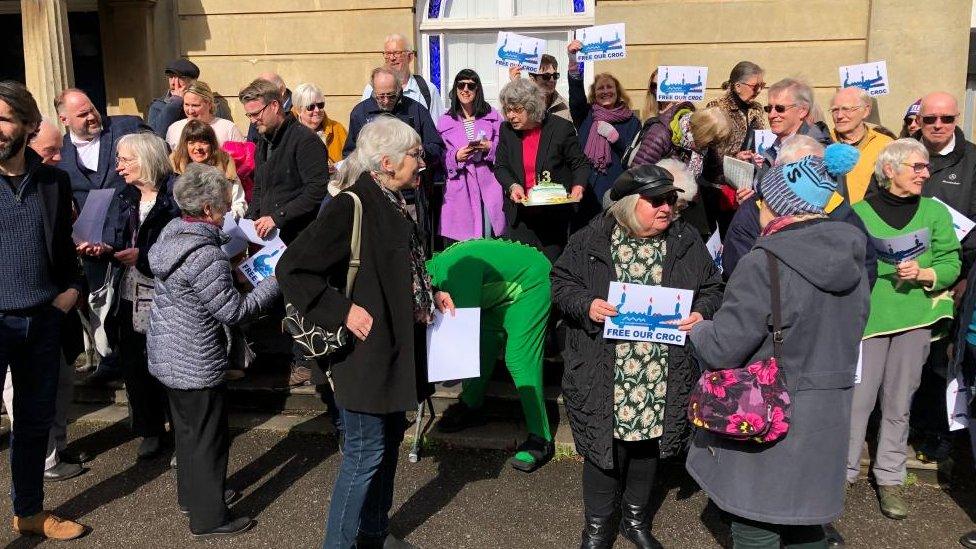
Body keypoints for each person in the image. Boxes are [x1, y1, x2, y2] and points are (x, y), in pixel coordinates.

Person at [276, 117, 455, 549]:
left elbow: (396, 268)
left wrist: (431, 292)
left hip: (395, 351)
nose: (423, 162)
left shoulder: (393, 199)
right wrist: (342, 311)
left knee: (388, 444)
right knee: (363, 455)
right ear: (388, 162)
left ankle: (374, 534)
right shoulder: (351, 205)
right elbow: (292, 268)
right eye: (415, 154)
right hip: (364, 354)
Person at [686, 154, 871, 549]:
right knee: (804, 522)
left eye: (761, 200)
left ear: (778, 204)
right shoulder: (853, 257)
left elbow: (723, 348)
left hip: (769, 409)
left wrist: (699, 329)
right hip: (828, 412)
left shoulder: (765, 261)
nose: (756, 207)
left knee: (756, 524)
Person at [552, 164, 723, 549]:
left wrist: (702, 311)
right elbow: (561, 283)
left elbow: (713, 286)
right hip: (603, 365)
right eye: (657, 200)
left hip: (662, 368)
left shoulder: (685, 239)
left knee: (649, 445)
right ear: (630, 204)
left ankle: (634, 520)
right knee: (603, 448)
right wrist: (587, 304)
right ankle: (597, 529)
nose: (667, 207)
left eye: (671, 199)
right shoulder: (591, 239)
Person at [148, 163, 279, 539]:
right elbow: (233, 311)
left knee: (189, 433)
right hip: (195, 356)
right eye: (223, 205)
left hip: (169, 352)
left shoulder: (173, 234)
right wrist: (272, 281)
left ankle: (196, 497)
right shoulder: (206, 255)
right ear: (207, 210)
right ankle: (209, 519)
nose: (228, 212)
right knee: (207, 437)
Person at [846, 138, 961, 520]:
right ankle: (841, 473)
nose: (925, 173)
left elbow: (950, 262)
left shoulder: (934, 212)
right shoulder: (858, 212)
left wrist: (926, 273)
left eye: (926, 167)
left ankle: (890, 478)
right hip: (870, 319)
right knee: (858, 401)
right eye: (917, 167)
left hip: (915, 318)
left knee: (898, 402)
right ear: (890, 169)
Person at [0, 80, 87, 540]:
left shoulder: (54, 180)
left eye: (4, 119)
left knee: (34, 426)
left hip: (41, 320)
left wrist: (72, 287)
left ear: (29, 126)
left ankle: (30, 512)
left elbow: (61, 246)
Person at [79, 132, 181, 460]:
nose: (119, 167)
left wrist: (146, 254)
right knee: (135, 365)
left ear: (146, 159)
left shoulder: (176, 194)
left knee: (171, 364)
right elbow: (115, 238)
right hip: (129, 290)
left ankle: (181, 431)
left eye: (125, 160)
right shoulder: (124, 197)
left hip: (168, 292)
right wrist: (104, 249)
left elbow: (185, 242)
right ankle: (150, 429)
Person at [429, 239, 555, 472]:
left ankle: (542, 437)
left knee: (519, 359)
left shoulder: (454, 274)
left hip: (531, 282)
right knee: (482, 346)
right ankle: (472, 405)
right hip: (496, 292)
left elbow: (459, 337)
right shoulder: (437, 271)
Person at [56, 87, 149, 384]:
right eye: (81, 114)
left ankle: (147, 361)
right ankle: (109, 361)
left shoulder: (127, 126)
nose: (91, 116)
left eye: (92, 108)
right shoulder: (59, 153)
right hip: (91, 244)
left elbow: (158, 165)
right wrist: (77, 241)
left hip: (135, 235)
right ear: (64, 119)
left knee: (138, 304)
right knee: (101, 306)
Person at [722, 137, 878, 287]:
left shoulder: (837, 208)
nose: (813, 178)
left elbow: (866, 262)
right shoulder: (752, 213)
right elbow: (742, 276)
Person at [346, 68, 445, 252]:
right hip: (374, 198)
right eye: (380, 96)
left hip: (410, 199)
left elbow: (437, 147)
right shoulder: (360, 113)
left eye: (391, 96)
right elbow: (350, 154)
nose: (385, 101)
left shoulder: (415, 109)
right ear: (373, 91)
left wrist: (419, 153)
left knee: (412, 249)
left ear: (400, 90)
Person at [493, 78, 590, 262]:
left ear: (532, 107)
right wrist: (513, 186)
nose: (511, 115)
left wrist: (578, 186)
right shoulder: (506, 130)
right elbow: (501, 166)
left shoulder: (561, 128)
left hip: (552, 218)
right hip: (520, 215)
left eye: (517, 110)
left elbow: (580, 164)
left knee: (549, 270)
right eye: (507, 110)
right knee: (522, 270)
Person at [238, 78, 330, 243]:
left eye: (256, 114)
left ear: (274, 106)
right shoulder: (263, 141)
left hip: (298, 238)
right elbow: (260, 186)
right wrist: (252, 218)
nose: (252, 120)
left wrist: (276, 218)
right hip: (268, 240)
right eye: (249, 115)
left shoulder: (305, 140)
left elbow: (316, 190)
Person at [566, 41, 640, 221]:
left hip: (616, 189)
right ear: (594, 93)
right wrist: (573, 60)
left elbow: (636, 157)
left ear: (617, 91)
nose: (605, 91)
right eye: (601, 88)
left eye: (610, 87)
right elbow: (576, 96)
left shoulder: (631, 120)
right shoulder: (586, 114)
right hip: (588, 187)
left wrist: (617, 139)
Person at [436, 69, 504, 243]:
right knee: (461, 241)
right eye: (461, 85)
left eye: (471, 86)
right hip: (460, 186)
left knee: (490, 239)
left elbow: (506, 148)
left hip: (488, 184)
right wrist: (456, 156)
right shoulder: (444, 121)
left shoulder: (493, 116)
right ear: (455, 89)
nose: (465, 90)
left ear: (477, 89)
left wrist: (490, 147)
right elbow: (438, 155)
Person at [703, 61, 768, 235]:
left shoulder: (757, 109)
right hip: (720, 189)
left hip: (748, 186)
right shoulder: (716, 107)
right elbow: (709, 150)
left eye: (762, 86)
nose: (759, 91)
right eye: (755, 86)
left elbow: (761, 139)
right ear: (738, 86)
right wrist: (735, 157)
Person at [745, 78, 832, 172]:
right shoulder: (775, 147)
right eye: (769, 108)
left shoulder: (814, 151)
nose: (771, 115)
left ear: (802, 111)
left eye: (780, 108)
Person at [170, 119, 247, 219]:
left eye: (203, 142)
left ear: (212, 145)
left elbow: (239, 204)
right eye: (192, 143)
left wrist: (226, 219)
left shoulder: (226, 167)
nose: (198, 147)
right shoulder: (176, 173)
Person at [361, 33, 445, 123]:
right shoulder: (371, 89)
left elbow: (438, 128)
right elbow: (362, 123)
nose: (392, 58)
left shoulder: (427, 90)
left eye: (397, 53)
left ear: (410, 57)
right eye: (388, 54)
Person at [829, 87, 893, 204]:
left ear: (866, 111)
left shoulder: (886, 145)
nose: (839, 116)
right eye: (835, 110)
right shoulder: (822, 144)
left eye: (846, 109)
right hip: (832, 220)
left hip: (872, 218)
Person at [629, 69, 696, 169]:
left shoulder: (684, 115)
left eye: (662, 84)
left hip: (672, 178)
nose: (657, 89)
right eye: (653, 86)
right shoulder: (652, 115)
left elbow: (639, 169)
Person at [165, 80, 244, 149]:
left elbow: (243, 162)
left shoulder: (228, 129)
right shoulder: (174, 129)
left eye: (195, 105)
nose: (190, 110)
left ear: (209, 104)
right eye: (186, 104)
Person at [292, 82, 347, 168]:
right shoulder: (289, 133)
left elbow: (350, 158)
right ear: (299, 110)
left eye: (320, 105)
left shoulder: (338, 129)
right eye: (310, 107)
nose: (317, 110)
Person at [509, 54, 572, 123]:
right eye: (546, 76)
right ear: (532, 78)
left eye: (555, 75)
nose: (552, 80)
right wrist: (516, 85)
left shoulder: (565, 107)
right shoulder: (522, 105)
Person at [148, 59, 199, 137]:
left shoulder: (205, 102)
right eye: (171, 77)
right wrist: (176, 102)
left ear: (193, 82)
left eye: (181, 78)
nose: (174, 83)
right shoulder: (158, 105)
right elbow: (154, 135)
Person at [245, 72, 292, 142]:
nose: (259, 95)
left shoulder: (300, 108)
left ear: (281, 90)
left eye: (265, 91)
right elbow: (252, 143)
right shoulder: (258, 114)